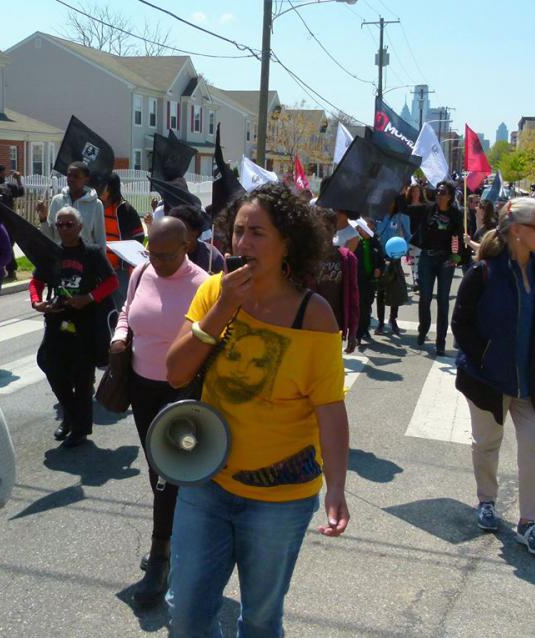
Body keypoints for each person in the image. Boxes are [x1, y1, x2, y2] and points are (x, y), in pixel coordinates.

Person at [165, 183, 350, 635]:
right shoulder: (215, 291)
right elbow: (175, 372)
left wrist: (337, 488)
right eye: (238, 231)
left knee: (261, 620)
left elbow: (330, 408)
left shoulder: (314, 314)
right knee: (186, 615)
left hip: (280, 498)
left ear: (288, 242)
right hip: (207, 481)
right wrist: (225, 306)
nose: (243, 243)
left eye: (258, 233)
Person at [110, 217, 208, 607]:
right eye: (153, 253)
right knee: (158, 471)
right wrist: (120, 337)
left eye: (168, 255)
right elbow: (126, 312)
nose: (159, 262)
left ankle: (161, 556)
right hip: (141, 387)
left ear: (187, 246)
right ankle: (176, 541)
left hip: (181, 391)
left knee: (169, 474)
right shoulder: (141, 273)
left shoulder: (204, 285)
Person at [451, 197, 535, 555]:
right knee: (487, 444)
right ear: (517, 231)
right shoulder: (483, 272)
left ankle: (529, 523)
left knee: (534, 449)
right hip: (488, 381)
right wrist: (483, 360)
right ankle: (487, 501)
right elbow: (461, 323)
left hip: (533, 382)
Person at [30, 206, 117, 447]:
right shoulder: (51, 253)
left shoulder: (92, 253)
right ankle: (70, 415)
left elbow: (111, 282)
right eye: (60, 224)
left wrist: (88, 298)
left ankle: (79, 429)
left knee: (82, 377)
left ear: (80, 227)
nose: (64, 229)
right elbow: (36, 280)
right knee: (49, 364)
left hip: (86, 322)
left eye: (69, 224)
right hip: (57, 319)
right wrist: (37, 301)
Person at [415, 180, 465, 356]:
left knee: (443, 301)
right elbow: (419, 228)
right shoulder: (429, 209)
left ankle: (440, 342)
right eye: (437, 191)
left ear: (450, 196)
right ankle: (423, 328)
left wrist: (456, 256)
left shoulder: (456, 214)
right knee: (425, 297)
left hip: (445, 261)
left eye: (442, 192)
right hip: (427, 258)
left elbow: (458, 236)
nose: (438, 194)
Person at [314, 208, 359, 354]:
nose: (324, 232)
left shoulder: (346, 258)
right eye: (320, 228)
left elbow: (353, 295)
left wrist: (353, 331)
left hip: (335, 322)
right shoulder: (307, 257)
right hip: (309, 321)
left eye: (328, 228)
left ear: (335, 231)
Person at [100, 172, 145, 307]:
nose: (98, 188)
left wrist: (125, 259)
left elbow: (139, 236)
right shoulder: (95, 207)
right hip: (99, 268)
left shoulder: (126, 210)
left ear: (111, 188)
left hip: (120, 271)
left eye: (102, 186)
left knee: (122, 307)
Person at [37, 161, 106, 250]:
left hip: (85, 256)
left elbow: (100, 239)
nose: (71, 179)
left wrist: (100, 258)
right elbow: (50, 237)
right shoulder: (57, 200)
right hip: (60, 255)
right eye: (69, 175)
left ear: (86, 179)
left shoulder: (96, 204)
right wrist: (43, 219)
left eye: (76, 176)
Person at [375, 196, 412, 335]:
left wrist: (404, 248)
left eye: (392, 200)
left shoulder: (402, 218)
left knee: (395, 289)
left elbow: (408, 236)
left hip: (395, 258)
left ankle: (393, 319)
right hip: (381, 256)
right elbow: (375, 233)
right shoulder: (378, 216)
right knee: (380, 291)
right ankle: (380, 322)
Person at [167, 204, 226, 275]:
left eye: (181, 230)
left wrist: (214, 279)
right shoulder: (165, 253)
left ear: (196, 232)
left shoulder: (212, 257)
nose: (176, 235)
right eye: (173, 230)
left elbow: (224, 278)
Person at [352, 218, 384, 342]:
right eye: (366, 228)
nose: (369, 231)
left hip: (370, 280)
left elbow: (381, 261)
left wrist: (379, 269)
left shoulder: (375, 242)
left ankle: (364, 329)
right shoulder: (354, 241)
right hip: (357, 279)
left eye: (371, 228)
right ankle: (358, 334)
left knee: (367, 306)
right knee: (359, 306)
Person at [405, 183, 427, 291]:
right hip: (410, 235)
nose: (415, 193)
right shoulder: (406, 206)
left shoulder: (425, 206)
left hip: (421, 236)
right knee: (414, 259)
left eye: (417, 191)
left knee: (419, 259)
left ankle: (418, 279)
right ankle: (416, 279)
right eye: (413, 191)